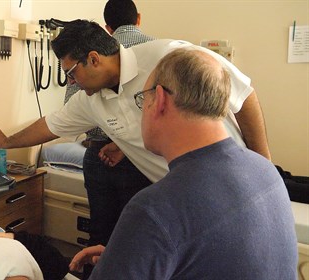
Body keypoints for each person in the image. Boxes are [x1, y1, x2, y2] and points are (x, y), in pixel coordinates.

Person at [69, 48, 298, 279]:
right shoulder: (266, 170)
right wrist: (131, 255)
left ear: (159, 100)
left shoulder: (154, 209)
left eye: (142, 100)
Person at [0, 20, 271, 184]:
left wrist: (263, 165)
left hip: (232, 178)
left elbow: (243, 95)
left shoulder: (167, 57)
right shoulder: (90, 100)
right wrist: (6, 141)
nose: (71, 82)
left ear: (93, 59)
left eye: (71, 73)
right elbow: (51, 125)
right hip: (176, 192)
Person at [62, 0, 156, 254]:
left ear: (107, 26)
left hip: (100, 153)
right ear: (138, 18)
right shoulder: (156, 50)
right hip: (139, 155)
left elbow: (73, 104)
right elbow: (159, 110)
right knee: (136, 235)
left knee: (100, 232)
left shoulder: (92, 56)